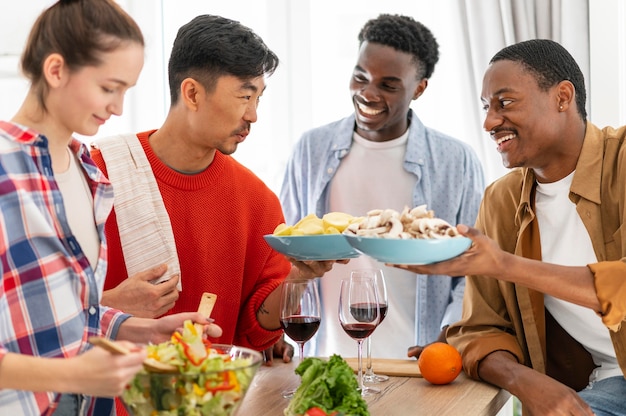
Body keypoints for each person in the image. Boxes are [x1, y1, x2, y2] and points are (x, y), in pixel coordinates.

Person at [90, 15, 339, 413]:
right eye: (244, 96)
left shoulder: (257, 200)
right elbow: (41, 315)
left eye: (259, 98)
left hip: (210, 404)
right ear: (192, 93)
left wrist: (298, 277)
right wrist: (111, 304)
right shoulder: (99, 175)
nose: (254, 114)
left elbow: (255, 333)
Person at [0, 1, 221, 416]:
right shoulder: (3, 169)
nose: (118, 107)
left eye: (126, 91)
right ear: (56, 70)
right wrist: (74, 377)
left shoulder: (88, 170)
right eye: (108, 88)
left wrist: (139, 330)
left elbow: (64, 314)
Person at [396, 39, 626, 415]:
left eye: (505, 103)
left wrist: (502, 264)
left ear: (562, 97)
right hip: (609, 385)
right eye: (486, 107)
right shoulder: (501, 201)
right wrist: (528, 383)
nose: (489, 121)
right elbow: (477, 328)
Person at [279, 14, 485, 360]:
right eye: (361, 77)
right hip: (323, 357)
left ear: (419, 88)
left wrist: (448, 335)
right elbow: (283, 249)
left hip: (417, 364)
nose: (368, 93)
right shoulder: (311, 150)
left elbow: (472, 269)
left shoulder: (456, 160)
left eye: (388, 85)